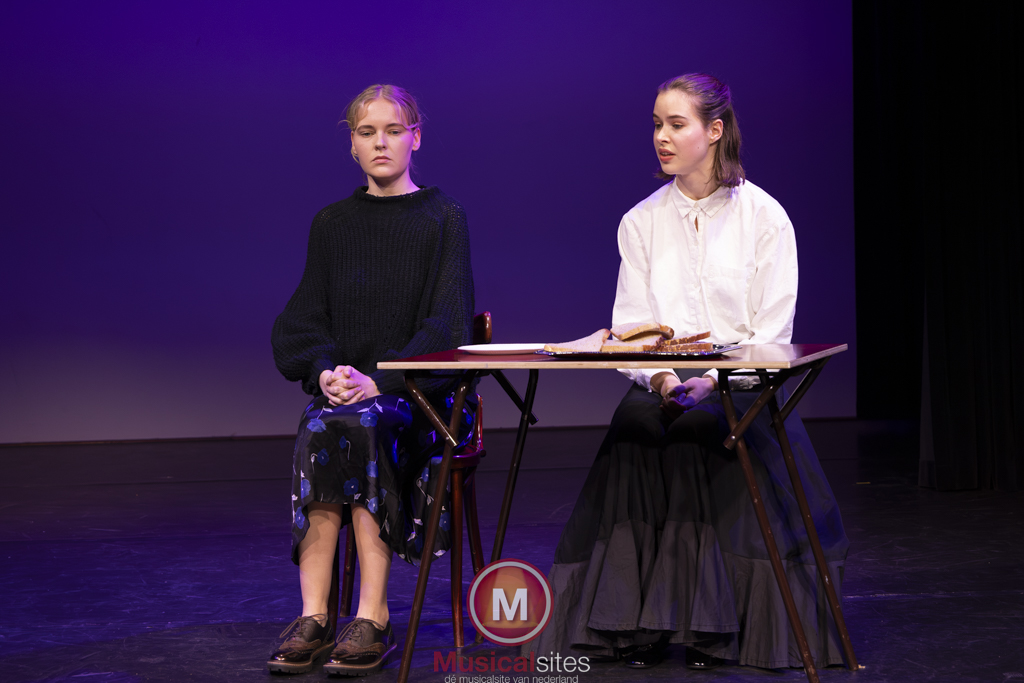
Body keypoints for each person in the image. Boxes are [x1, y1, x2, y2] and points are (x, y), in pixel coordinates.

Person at [524, 73, 849, 671]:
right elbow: (632, 327)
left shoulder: (764, 218)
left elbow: (771, 334)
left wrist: (714, 382)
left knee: (704, 431)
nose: (662, 137)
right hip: (663, 378)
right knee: (637, 428)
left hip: (741, 382)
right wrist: (664, 379)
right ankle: (633, 623)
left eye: (677, 124)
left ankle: (714, 627)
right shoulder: (641, 222)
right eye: (657, 124)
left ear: (715, 130)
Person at [267, 84, 475, 676]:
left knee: (362, 424)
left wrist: (381, 379)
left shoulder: (443, 217)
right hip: (348, 396)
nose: (380, 142)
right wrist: (325, 371)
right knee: (322, 423)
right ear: (352, 145)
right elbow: (304, 318)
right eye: (367, 132)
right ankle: (314, 614)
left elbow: (448, 323)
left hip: (416, 398)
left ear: (415, 138)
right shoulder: (332, 224)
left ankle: (372, 615)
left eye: (393, 130)